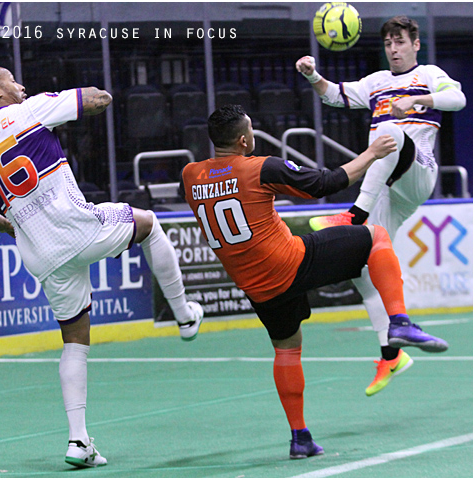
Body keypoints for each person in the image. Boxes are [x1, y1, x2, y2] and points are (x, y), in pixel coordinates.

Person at [180, 104, 449, 459]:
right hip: (290, 263)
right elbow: (326, 183)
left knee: (287, 349)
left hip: (256, 286)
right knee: (376, 237)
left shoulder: (189, 174)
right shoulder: (262, 167)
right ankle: (399, 323)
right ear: (245, 140)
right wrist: (372, 153)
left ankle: (300, 437)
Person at [0, 67, 204, 468]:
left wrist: (7, 224)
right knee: (149, 223)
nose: (20, 86)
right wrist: (72, 98)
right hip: (77, 227)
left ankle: (79, 441)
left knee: (75, 340)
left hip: (42, 252)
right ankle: (183, 315)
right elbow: (100, 99)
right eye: (12, 81)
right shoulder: (34, 109)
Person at [296, 15, 464, 396]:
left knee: (387, 131)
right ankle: (393, 348)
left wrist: (416, 100)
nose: (394, 48)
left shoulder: (430, 74)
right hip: (388, 188)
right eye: (389, 43)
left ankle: (352, 213)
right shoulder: (375, 82)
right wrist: (311, 74)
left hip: (418, 171)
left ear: (415, 44)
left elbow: (458, 99)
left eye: (400, 42)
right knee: (363, 264)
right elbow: (334, 94)